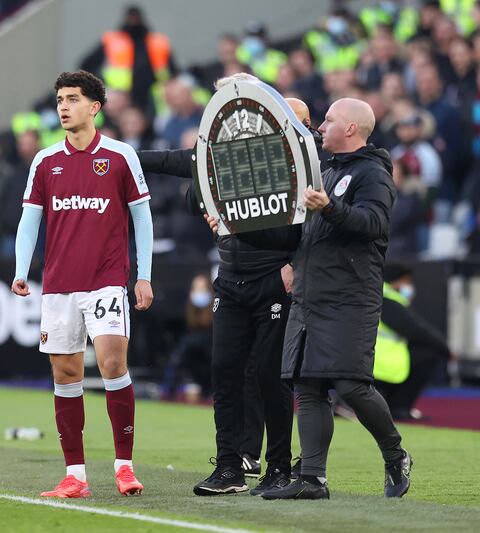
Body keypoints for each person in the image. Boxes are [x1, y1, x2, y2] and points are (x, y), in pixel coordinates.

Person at [210, 97, 411, 500]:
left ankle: (395, 453)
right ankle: (313, 479)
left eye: (329, 120)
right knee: (307, 386)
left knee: (351, 386)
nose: (320, 126)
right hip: (308, 293)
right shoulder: (319, 171)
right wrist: (234, 227)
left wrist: (331, 207)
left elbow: (373, 224)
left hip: (350, 294)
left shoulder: (373, 173)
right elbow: (291, 234)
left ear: (351, 129)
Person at [137, 78, 315, 496]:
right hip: (231, 279)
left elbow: (319, 225)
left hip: (274, 278)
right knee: (225, 373)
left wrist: (294, 263)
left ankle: (278, 468)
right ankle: (230, 466)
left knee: (273, 378)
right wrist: (112, 153)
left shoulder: (308, 164)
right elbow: (171, 162)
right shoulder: (225, 154)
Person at [11, 70, 153, 498]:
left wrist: (143, 275)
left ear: (94, 107)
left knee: (112, 363)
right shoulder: (45, 161)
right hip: (58, 285)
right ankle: (75, 475)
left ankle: (124, 467)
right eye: (59, 100)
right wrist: (21, 270)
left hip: (107, 280)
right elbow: (29, 220)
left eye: (72, 99)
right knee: (66, 373)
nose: (63, 107)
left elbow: (142, 217)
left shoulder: (120, 155)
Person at [373, 263, 454, 420]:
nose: (409, 286)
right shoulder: (387, 300)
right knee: (429, 353)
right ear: (396, 281)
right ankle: (399, 407)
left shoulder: (378, 295)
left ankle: (393, 406)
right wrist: (446, 349)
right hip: (380, 361)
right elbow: (416, 330)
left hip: (374, 357)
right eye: (406, 281)